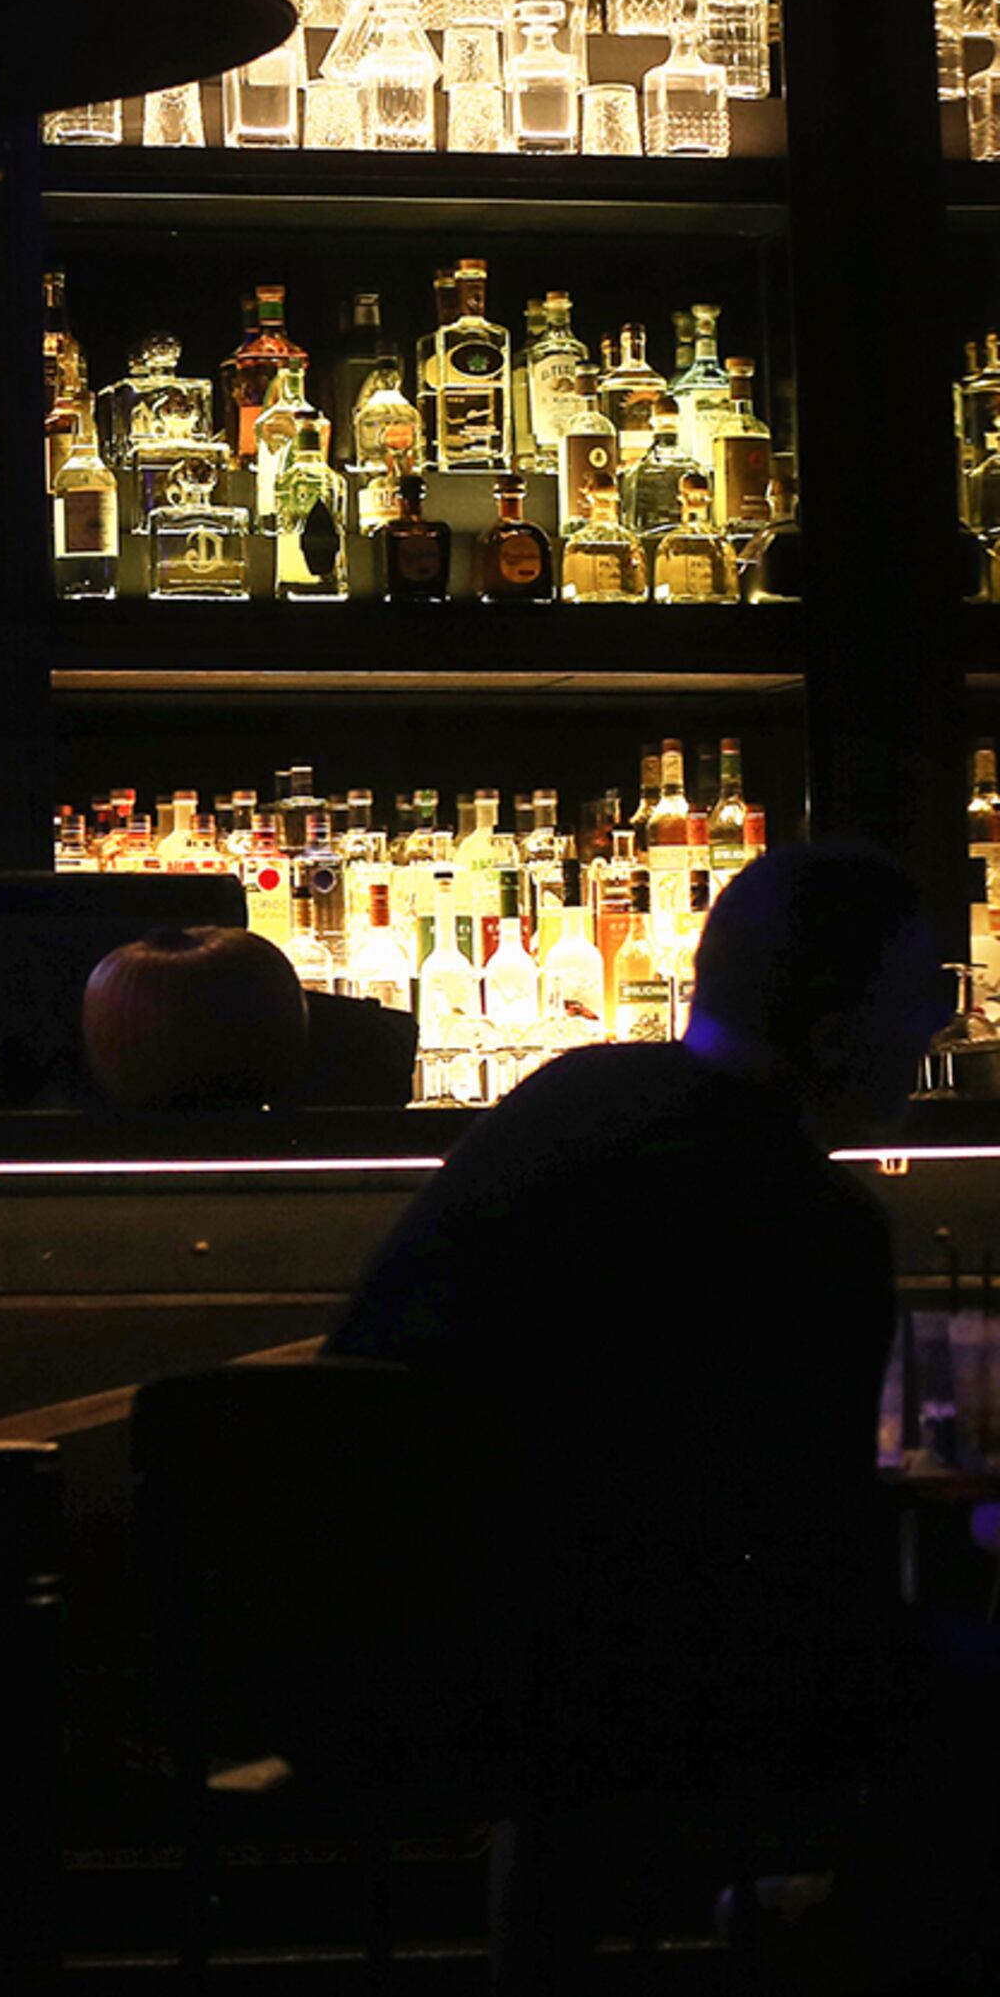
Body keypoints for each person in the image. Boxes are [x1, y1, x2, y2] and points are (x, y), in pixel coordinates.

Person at [329, 845, 993, 1987]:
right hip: (603, 1669)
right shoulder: (810, 1214)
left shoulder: (565, 1096)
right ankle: (860, 1925)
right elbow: (811, 1547)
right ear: (841, 1035)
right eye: (920, 1001)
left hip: (363, 1643)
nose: (935, 1030)